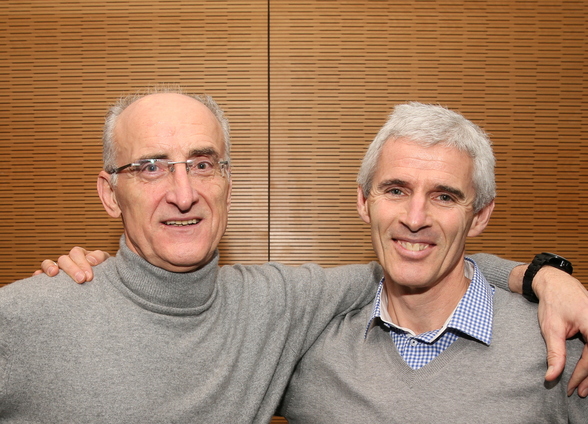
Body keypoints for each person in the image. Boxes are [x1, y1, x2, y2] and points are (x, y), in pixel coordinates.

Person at [16, 88, 587, 422]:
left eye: (202, 163)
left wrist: (544, 276)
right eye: (150, 167)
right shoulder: (27, 316)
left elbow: (428, 259)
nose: (183, 192)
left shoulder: (560, 347)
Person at [278, 102, 587, 422]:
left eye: (444, 197)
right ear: (364, 201)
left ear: (480, 216)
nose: (415, 219)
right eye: (396, 190)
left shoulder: (559, 342)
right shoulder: (306, 345)